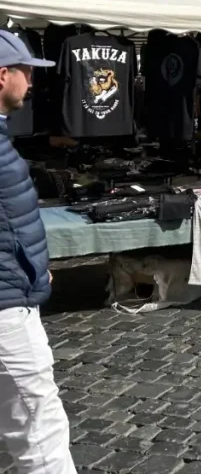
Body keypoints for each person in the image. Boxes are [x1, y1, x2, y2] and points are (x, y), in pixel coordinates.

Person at [0, 31, 77, 473]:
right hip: (7, 310)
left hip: (13, 292)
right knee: (39, 433)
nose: (32, 82)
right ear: (2, 75)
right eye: (26, 71)